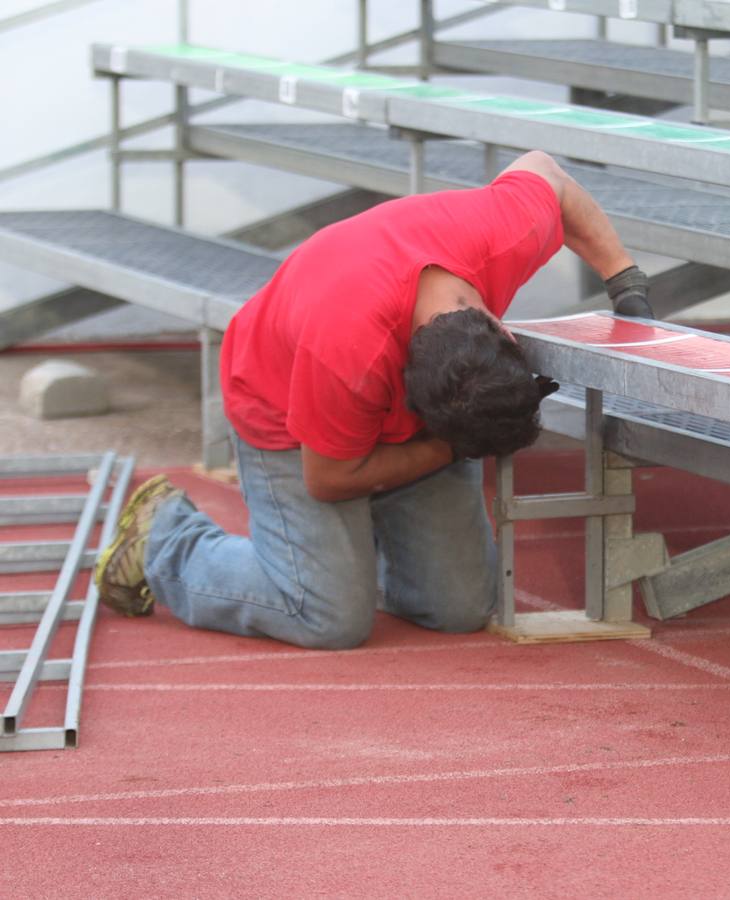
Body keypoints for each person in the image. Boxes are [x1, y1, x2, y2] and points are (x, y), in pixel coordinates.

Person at [93, 151, 652, 649]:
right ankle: (166, 540)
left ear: (499, 333)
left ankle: (360, 551)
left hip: (405, 420)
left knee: (458, 609)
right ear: (407, 391)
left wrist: (624, 280)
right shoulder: (348, 356)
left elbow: (548, 174)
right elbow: (329, 478)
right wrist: (448, 451)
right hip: (285, 410)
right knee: (326, 617)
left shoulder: (499, 235)